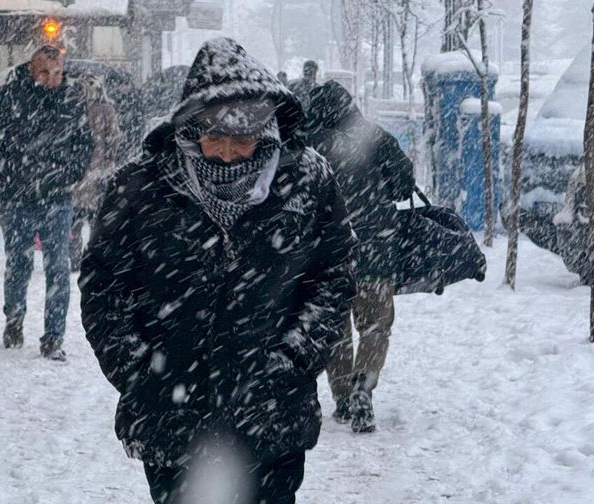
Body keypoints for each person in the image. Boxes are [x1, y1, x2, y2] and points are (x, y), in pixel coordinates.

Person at [80, 38, 356, 504]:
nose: (228, 154)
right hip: (173, 416)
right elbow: (103, 286)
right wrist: (140, 370)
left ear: (267, 131)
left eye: (243, 140)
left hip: (270, 414)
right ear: (190, 128)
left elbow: (334, 275)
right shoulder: (140, 185)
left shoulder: (307, 181)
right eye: (214, 138)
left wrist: (293, 358)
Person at [303, 80, 415, 433]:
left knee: (336, 326)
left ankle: (341, 397)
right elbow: (403, 185)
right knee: (375, 325)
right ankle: (363, 388)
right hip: (375, 248)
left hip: (327, 253)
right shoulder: (374, 136)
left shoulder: (307, 145)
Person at [0, 45, 94, 361]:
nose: (51, 79)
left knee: (58, 267)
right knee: (19, 263)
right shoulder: (11, 97)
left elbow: (84, 145)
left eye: (57, 72)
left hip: (57, 197)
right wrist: (8, 172)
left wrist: (67, 176)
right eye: (44, 72)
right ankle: (14, 319)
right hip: (17, 198)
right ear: (31, 69)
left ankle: (53, 337)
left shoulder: (71, 100)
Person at [71, 73, 121, 269]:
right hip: (98, 172)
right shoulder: (106, 109)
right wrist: (109, 160)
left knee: (75, 219)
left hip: (80, 173)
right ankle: (93, 256)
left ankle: (75, 257)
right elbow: (114, 138)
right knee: (97, 219)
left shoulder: (74, 108)